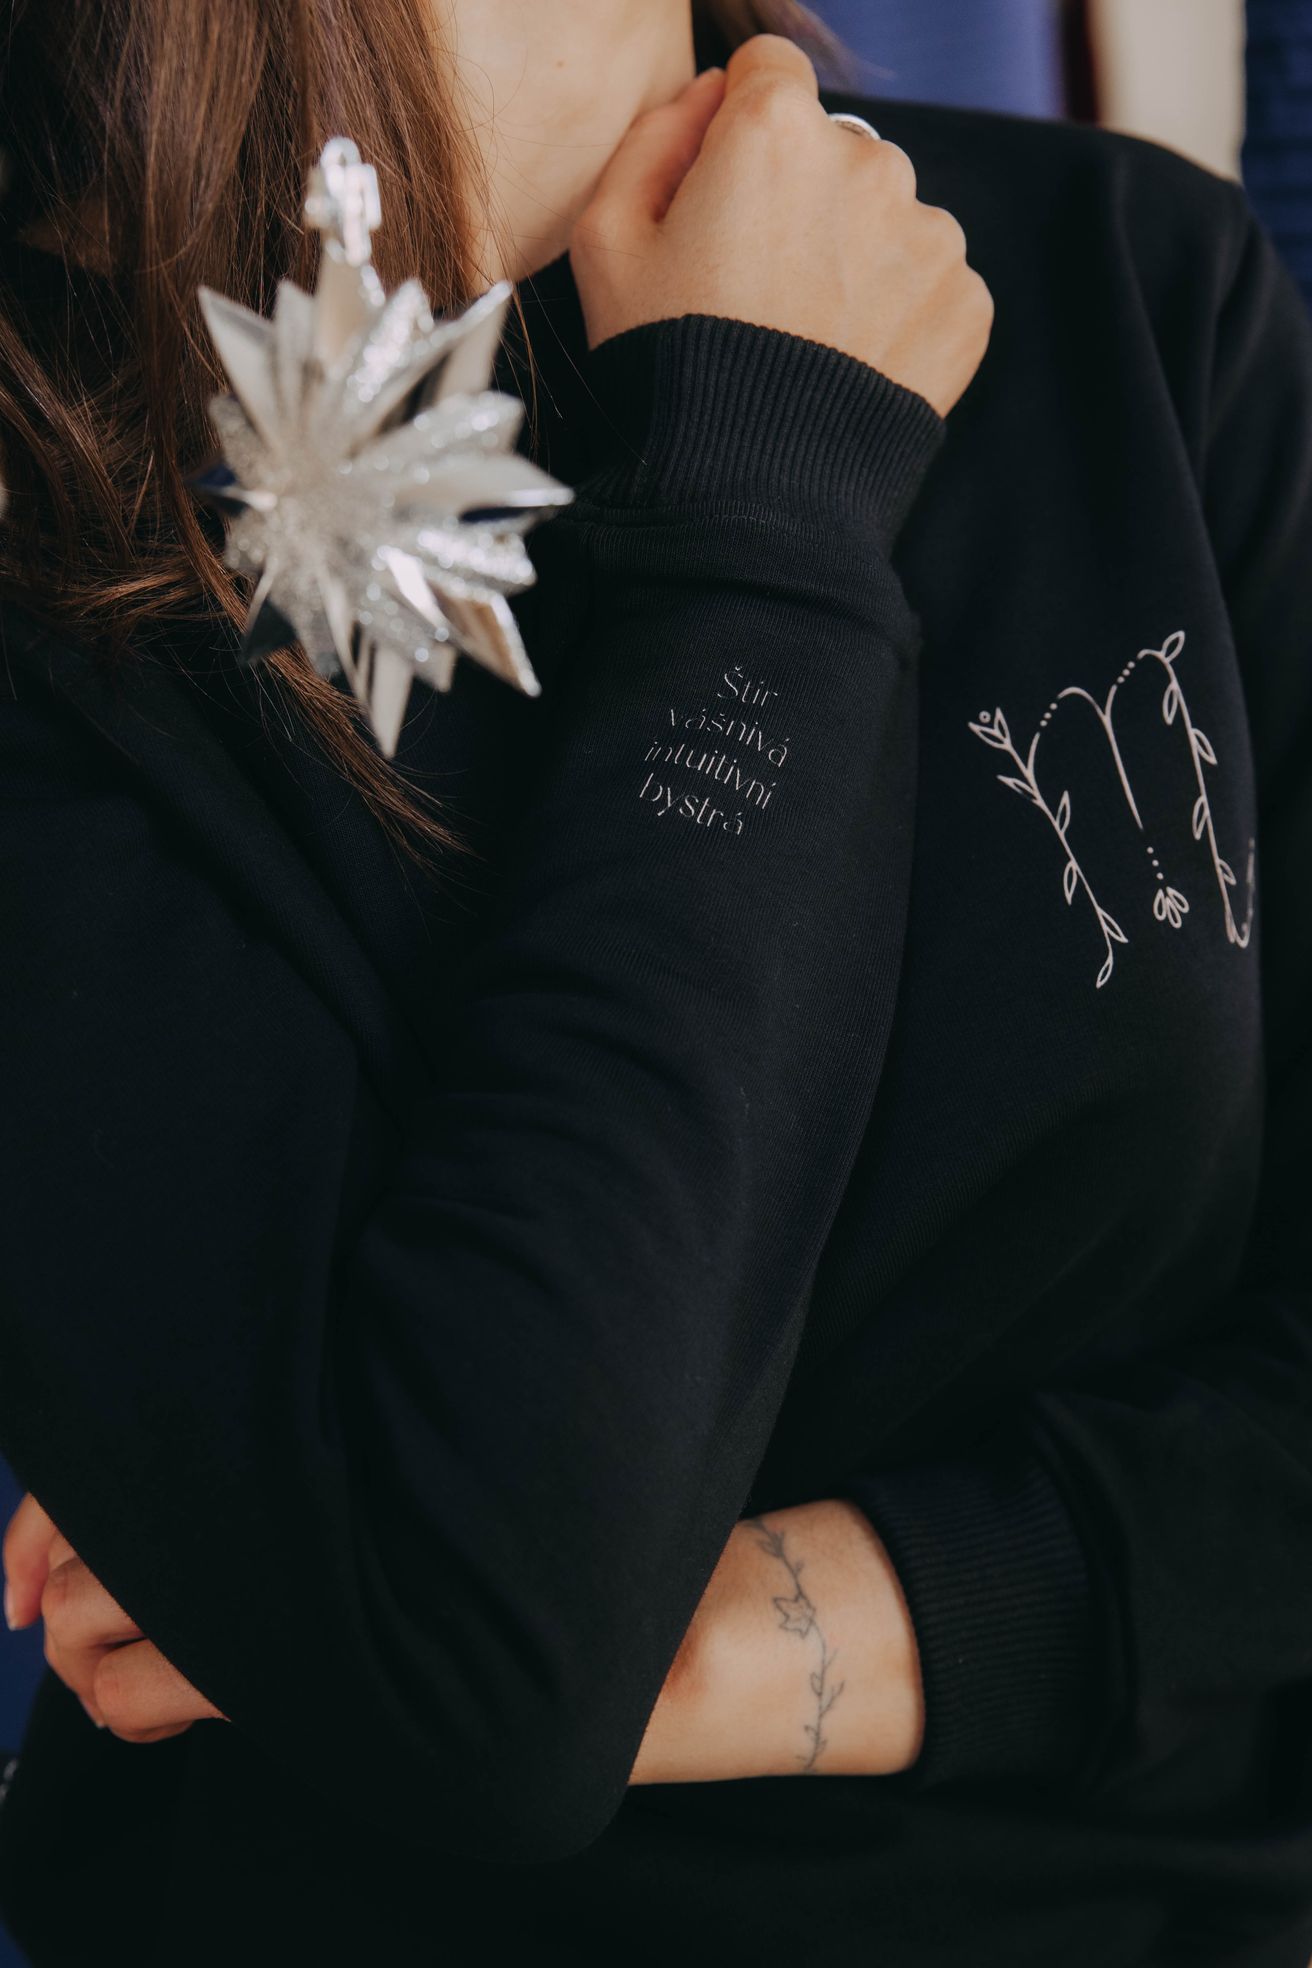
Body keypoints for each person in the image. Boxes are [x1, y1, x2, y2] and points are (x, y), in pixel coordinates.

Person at [0, 1, 1309, 1963]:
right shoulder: (53, 504)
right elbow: (490, 1674)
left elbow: (453, 1660)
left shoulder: (1120, 287)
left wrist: (738, 1652)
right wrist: (764, 514)